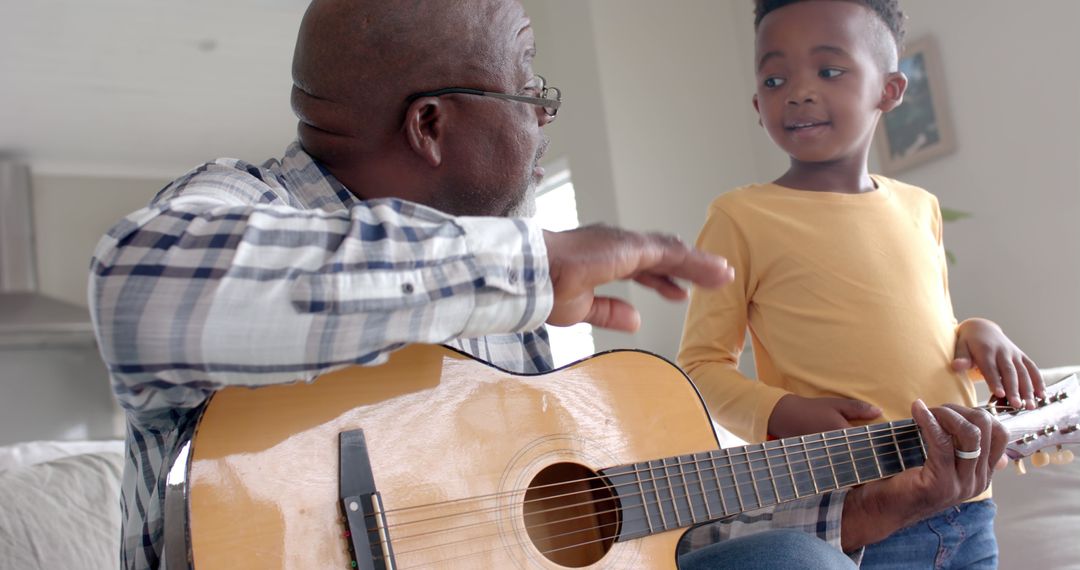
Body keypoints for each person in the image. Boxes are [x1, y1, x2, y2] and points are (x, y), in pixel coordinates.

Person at [88, 1, 1006, 568]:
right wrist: (532, 264)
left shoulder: (512, 315)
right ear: (432, 124)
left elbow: (610, 525)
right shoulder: (244, 205)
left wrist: (864, 510)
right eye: (527, 85)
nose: (541, 116)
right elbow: (139, 289)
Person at [677, 0, 1042, 568]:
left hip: (969, 500)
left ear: (890, 90)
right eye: (775, 78)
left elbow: (928, 329)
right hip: (856, 507)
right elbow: (699, 368)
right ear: (757, 104)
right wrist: (780, 410)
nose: (797, 92)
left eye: (828, 70)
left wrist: (977, 329)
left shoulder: (920, 207)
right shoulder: (738, 217)